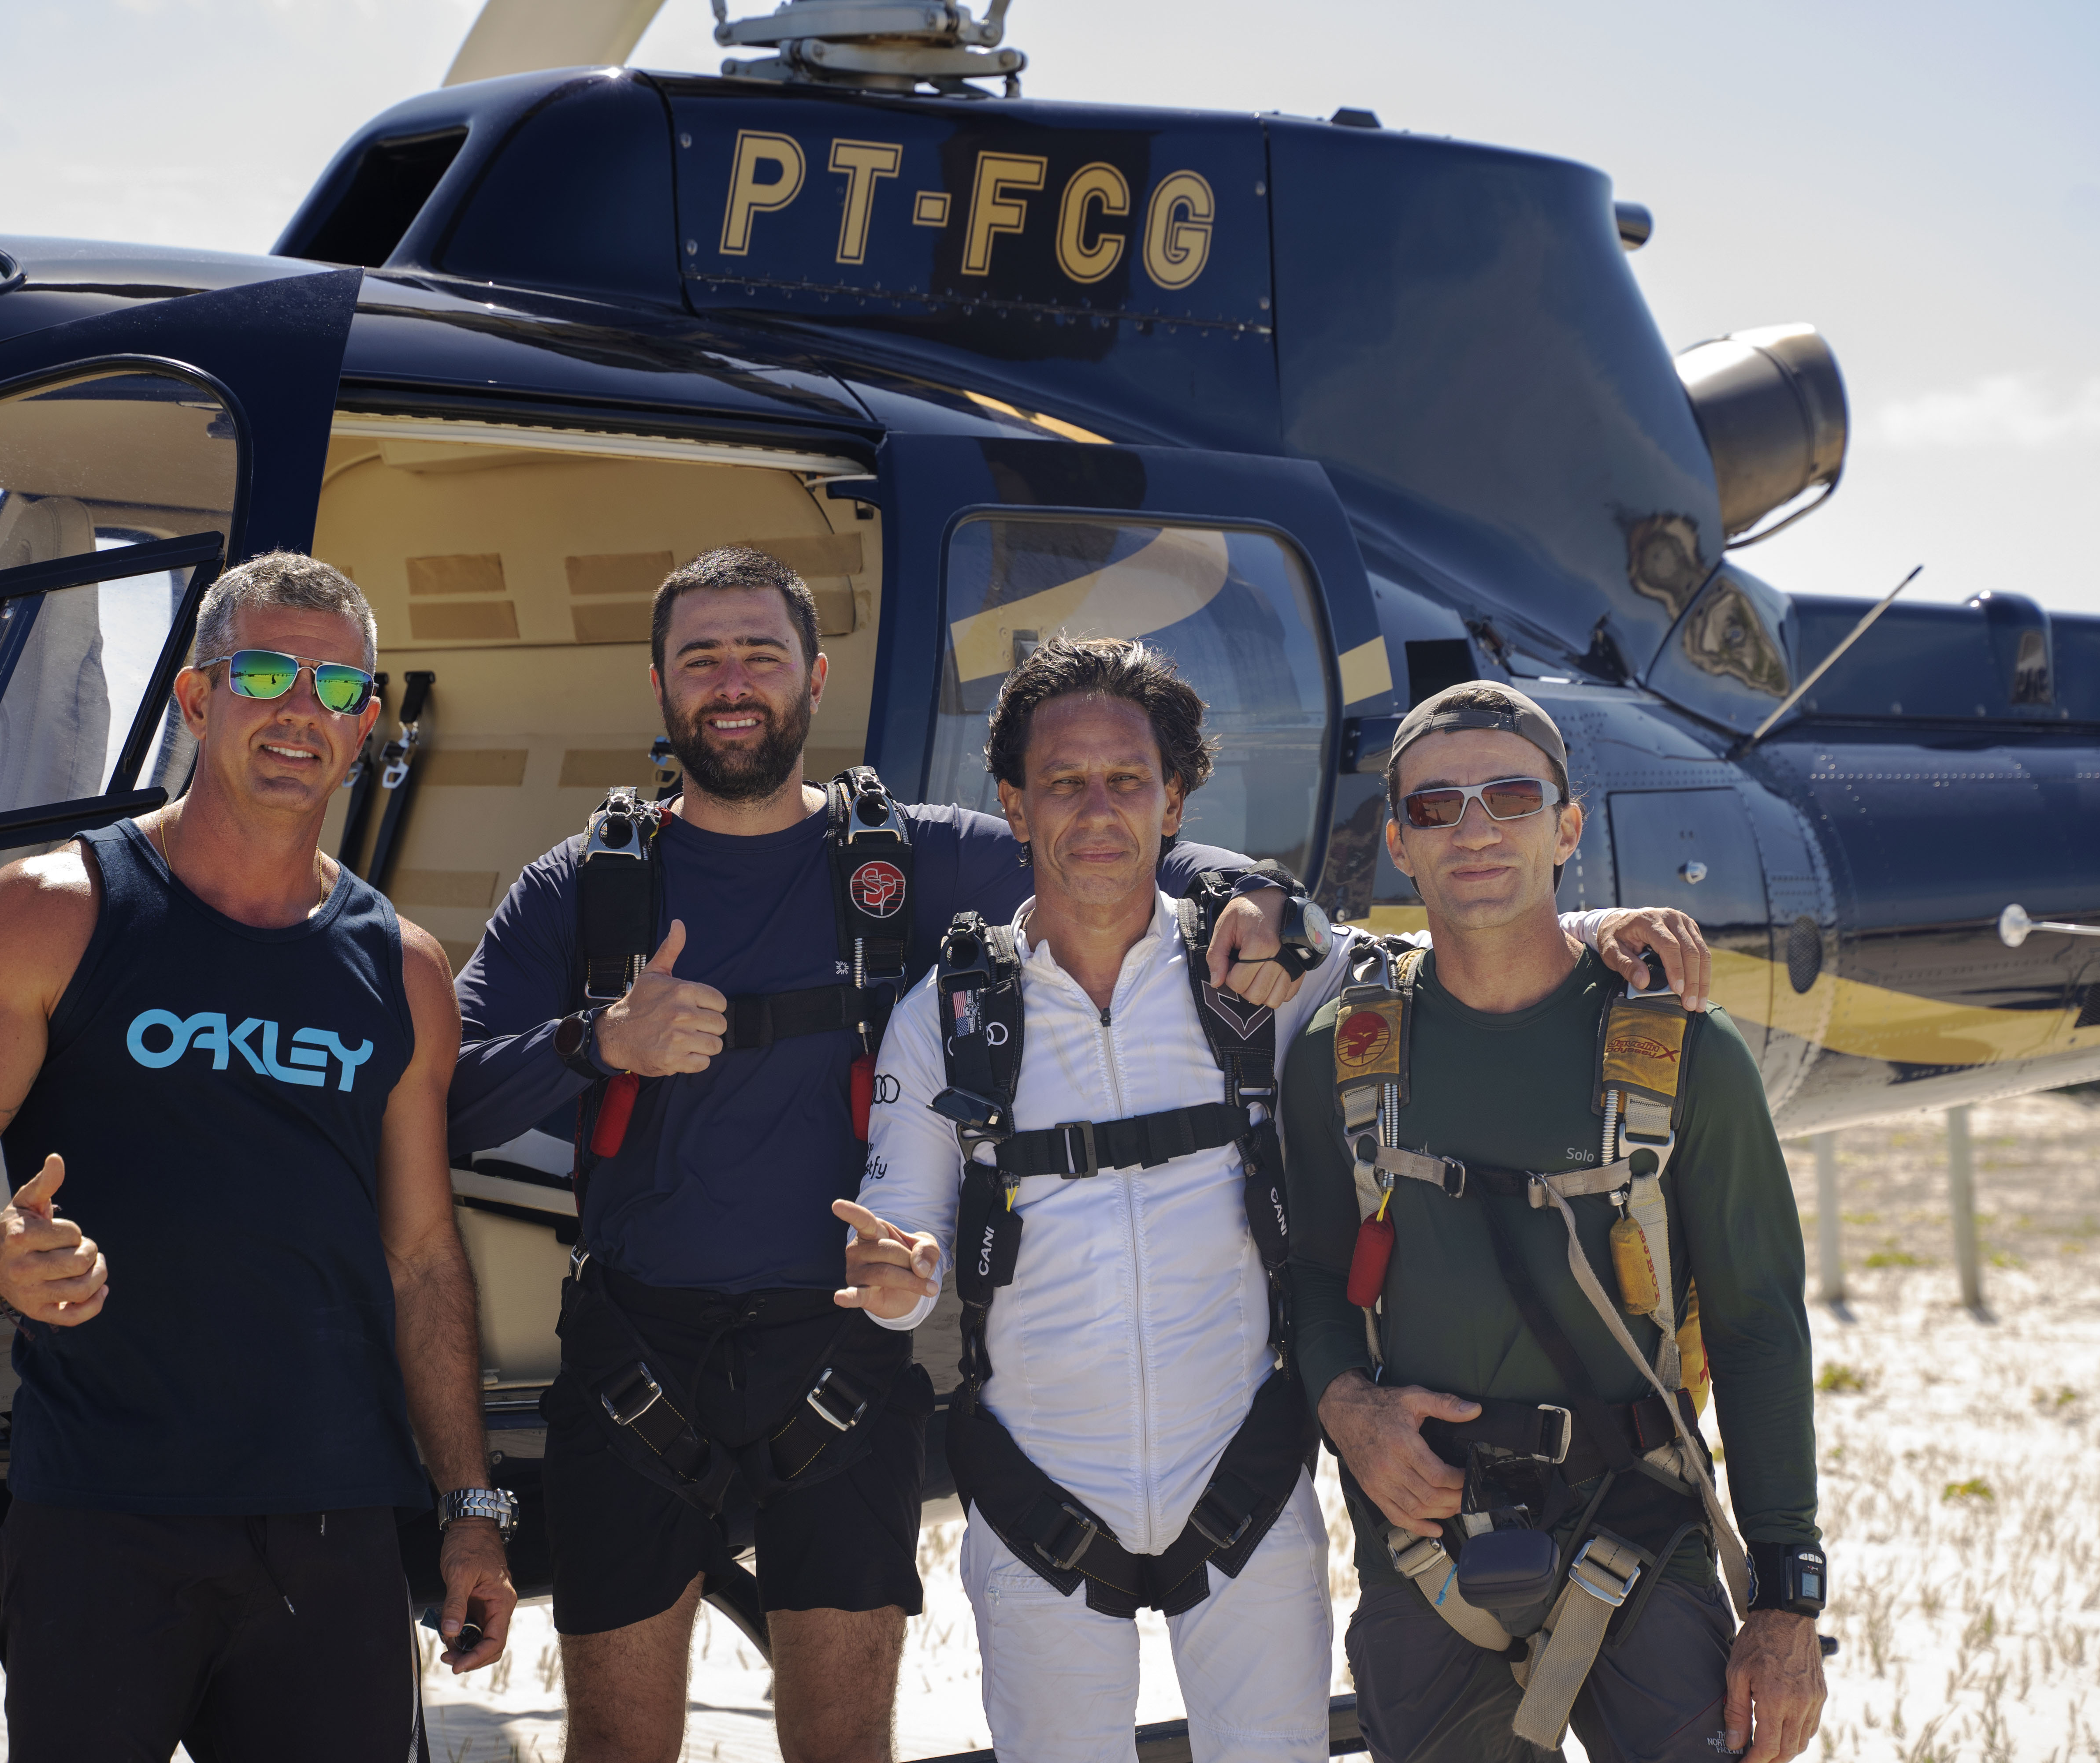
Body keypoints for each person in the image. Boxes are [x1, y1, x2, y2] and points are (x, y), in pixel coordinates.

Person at [448, 547, 1315, 1763]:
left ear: (814, 679)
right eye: (702, 659)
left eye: (761, 654)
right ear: (660, 685)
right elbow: (446, 1104)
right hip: (634, 1353)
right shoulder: (584, 887)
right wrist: (599, 1040)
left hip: (842, 1362)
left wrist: (1256, 894)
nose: (733, 683)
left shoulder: (911, 858)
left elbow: (1113, 842)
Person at [840, 642, 1715, 1763]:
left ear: (1174, 802)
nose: (1098, 810)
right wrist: (898, 1282)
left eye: (1128, 780)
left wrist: (1602, 928)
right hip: (1034, 1500)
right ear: (1013, 803)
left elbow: (1439, 962)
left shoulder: (1257, 971)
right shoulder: (950, 1015)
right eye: (1063, 782)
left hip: (1244, 1490)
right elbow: (902, 1244)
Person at [0, 552, 517, 1763]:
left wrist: (470, 1508)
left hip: (331, 1524)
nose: (299, 711)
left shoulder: (404, 969)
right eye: (264, 674)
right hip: (103, 1515)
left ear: (366, 724)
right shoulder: (49, 912)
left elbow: (424, 1258)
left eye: (335, 688)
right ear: (197, 696)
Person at [1282, 681, 1826, 1763]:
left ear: (1568, 827)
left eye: (1512, 796)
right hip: (1426, 1546)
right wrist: (1349, 1407)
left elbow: (1760, 1323)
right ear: (1397, 842)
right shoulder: (1341, 1058)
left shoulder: (1687, 1055)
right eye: (1435, 806)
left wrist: (1785, 1597)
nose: (1475, 828)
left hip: (1642, 1528)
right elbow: (1311, 1276)